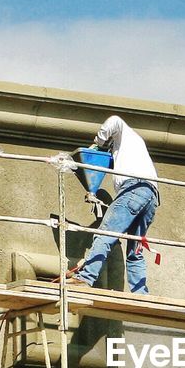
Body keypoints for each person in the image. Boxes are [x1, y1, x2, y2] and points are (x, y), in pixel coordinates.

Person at [69, 115, 160, 294]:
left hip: (133, 188)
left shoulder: (124, 133)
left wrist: (97, 143)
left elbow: (114, 120)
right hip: (151, 196)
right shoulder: (134, 151)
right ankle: (141, 295)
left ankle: (85, 278)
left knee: (104, 234)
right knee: (135, 251)